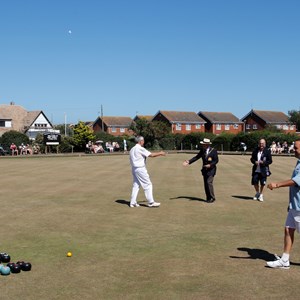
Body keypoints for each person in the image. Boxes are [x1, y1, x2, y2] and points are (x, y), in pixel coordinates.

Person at [266, 139, 300, 269]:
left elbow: (296, 181)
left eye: (296, 148)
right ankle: (285, 260)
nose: (293, 150)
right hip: (294, 205)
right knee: (288, 229)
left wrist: (277, 184)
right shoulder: (298, 162)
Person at [129, 136, 166, 208]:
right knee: (148, 185)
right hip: (140, 169)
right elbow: (151, 155)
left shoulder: (132, 149)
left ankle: (132, 202)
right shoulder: (140, 148)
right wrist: (160, 153)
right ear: (140, 141)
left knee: (136, 185)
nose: (144, 142)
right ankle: (151, 202)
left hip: (134, 168)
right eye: (143, 140)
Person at [183, 138, 219, 203]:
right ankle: (208, 198)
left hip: (211, 170)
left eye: (204, 144)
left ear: (207, 145)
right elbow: (197, 157)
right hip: (204, 170)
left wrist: (210, 165)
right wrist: (189, 161)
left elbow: (216, 160)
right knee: (206, 184)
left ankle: (212, 197)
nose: (203, 145)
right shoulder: (202, 150)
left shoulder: (214, 151)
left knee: (209, 182)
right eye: (202, 144)